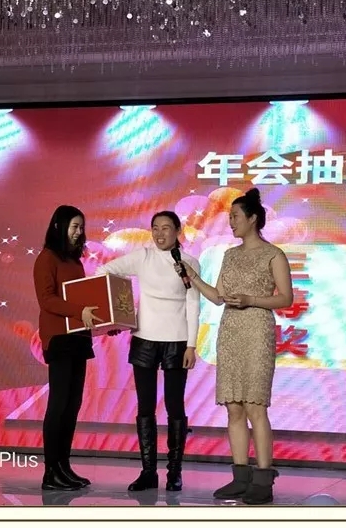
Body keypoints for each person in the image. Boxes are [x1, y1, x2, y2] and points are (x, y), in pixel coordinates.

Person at [177, 188, 292, 505]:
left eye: (235, 216)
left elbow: (286, 298)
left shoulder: (274, 255)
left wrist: (251, 299)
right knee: (234, 407)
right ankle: (240, 477)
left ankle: (264, 479)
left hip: (257, 330)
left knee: (255, 406)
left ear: (253, 219)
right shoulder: (229, 255)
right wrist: (192, 277)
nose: (230, 222)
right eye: (229, 217)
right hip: (229, 332)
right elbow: (217, 297)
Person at [95, 210, 201, 493]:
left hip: (177, 341)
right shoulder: (142, 257)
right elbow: (103, 271)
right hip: (144, 340)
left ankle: (174, 472)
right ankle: (148, 472)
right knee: (145, 407)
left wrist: (191, 345)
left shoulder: (189, 263)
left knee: (175, 406)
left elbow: (193, 304)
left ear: (178, 231)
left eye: (166, 228)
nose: (159, 233)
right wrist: (118, 313)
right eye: (155, 228)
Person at [33, 204, 117, 491]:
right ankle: (50, 472)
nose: (79, 232)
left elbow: (81, 300)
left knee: (72, 405)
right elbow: (47, 299)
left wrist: (106, 321)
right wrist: (80, 311)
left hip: (78, 338)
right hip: (59, 338)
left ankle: (63, 466)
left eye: (81, 227)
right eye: (74, 226)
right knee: (58, 404)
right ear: (59, 227)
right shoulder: (47, 258)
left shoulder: (74, 261)